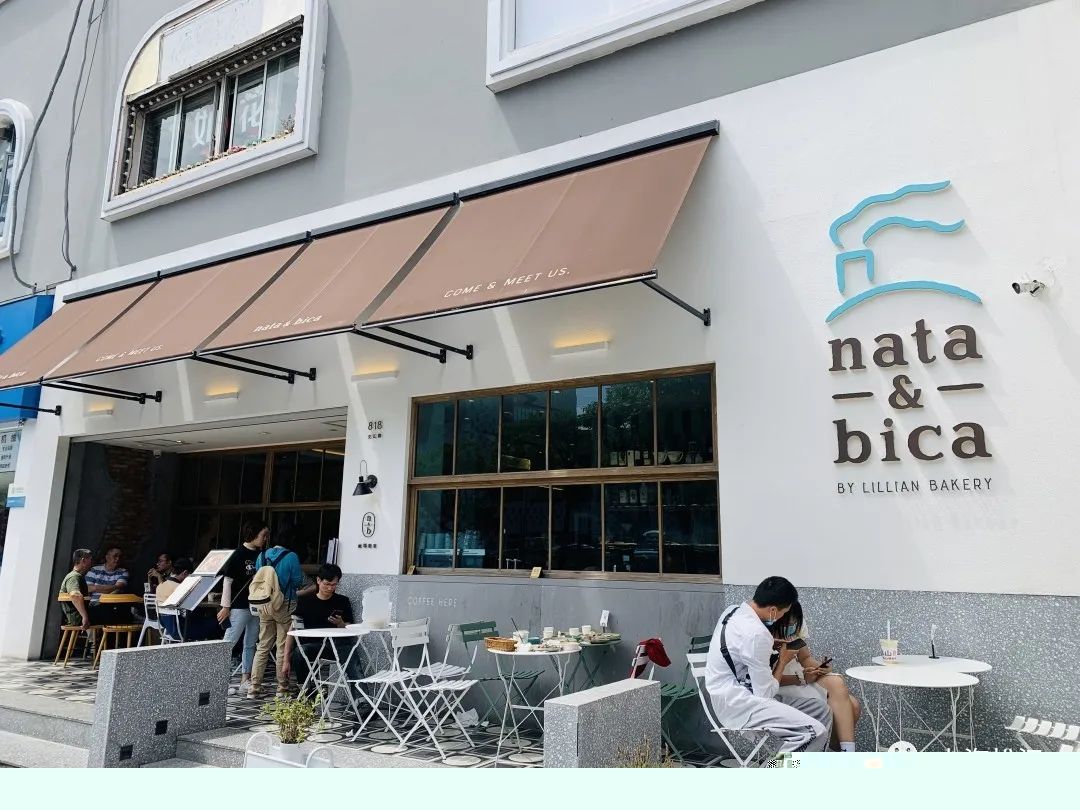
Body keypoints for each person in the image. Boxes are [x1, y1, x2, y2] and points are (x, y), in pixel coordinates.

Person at [704, 576, 831, 754]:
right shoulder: (758, 634)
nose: (782, 617)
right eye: (783, 613)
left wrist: (769, 645)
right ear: (772, 610)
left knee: (821, 709)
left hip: (726, 694)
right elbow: (765, 694)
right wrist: (782, 661)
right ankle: (773, 767)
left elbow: (742, 647)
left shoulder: (732, 611)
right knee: (813, 733)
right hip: (741, 704)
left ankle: (797, 763)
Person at [770, 602, 860, 752]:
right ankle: (841, 754)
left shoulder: (793, 635)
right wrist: (794, 672)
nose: (791, 628)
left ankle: (844, 754)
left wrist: (820, 668)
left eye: (794, 625)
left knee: (848, 701)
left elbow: (805, 658)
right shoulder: (759, 638)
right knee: (844, 705)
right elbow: (766, 682)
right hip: (774, 694)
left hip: (796, 755)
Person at [282, 564, 362, 690]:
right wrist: (286, 660)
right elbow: (292, 630)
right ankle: (305, 688)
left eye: (334, 585)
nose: (330, 588)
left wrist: (341, 624)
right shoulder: (305, 601)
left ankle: (360, 696)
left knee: (349, 650)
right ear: (318, 580)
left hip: (336, 646)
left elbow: (351, 626)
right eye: (327, 584)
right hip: (313, 646)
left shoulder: (342, 601)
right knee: (300, 651)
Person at [248, 524, 305, 699]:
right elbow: (297, 581)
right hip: (284, 604)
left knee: (263, 645)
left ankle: (254, 687)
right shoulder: (291, 556)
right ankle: (282, 687)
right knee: (283, 645)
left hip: (265, 604)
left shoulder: (262, 555)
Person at [217, 520, 269, 696]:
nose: (265, 539)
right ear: (252, 534)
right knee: (229, 642)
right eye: (263, 535)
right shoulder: (238, 554)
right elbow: (227, 581)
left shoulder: (263, 554)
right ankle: (219, 682)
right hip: (239, 605)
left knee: (251, 643)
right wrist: (226, 606)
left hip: (256, 605)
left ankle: (245, 679)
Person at [156, 557, 218, 641]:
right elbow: (194, 611)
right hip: (184, 630)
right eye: (190, 575)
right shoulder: (182, 588)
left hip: (169, 629)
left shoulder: (160, 586)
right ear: (185, 573)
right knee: (217, 623)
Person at [58, 548, 109, 629]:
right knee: (114, 613)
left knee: (107, 608)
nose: (92, 562)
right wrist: (85, 617)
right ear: (83, 560)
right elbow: (75, 595)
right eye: (90, 559)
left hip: (80, 615)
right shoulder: (74, 577)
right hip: (78, 618)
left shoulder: (77, 576)